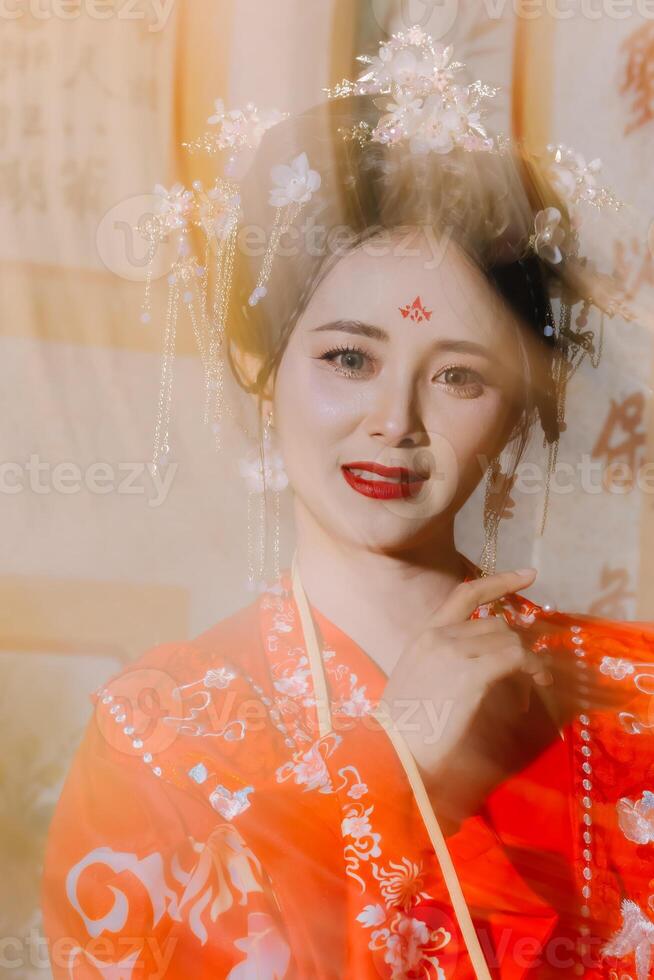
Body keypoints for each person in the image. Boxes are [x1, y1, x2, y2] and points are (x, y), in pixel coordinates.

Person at [41, 29, 654, 979]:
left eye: (457, 376)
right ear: (260, 365)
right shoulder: (155, 737)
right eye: (348, 358)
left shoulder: (633, 699)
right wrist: (394, 759)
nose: (393, 423)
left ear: (520, 406)